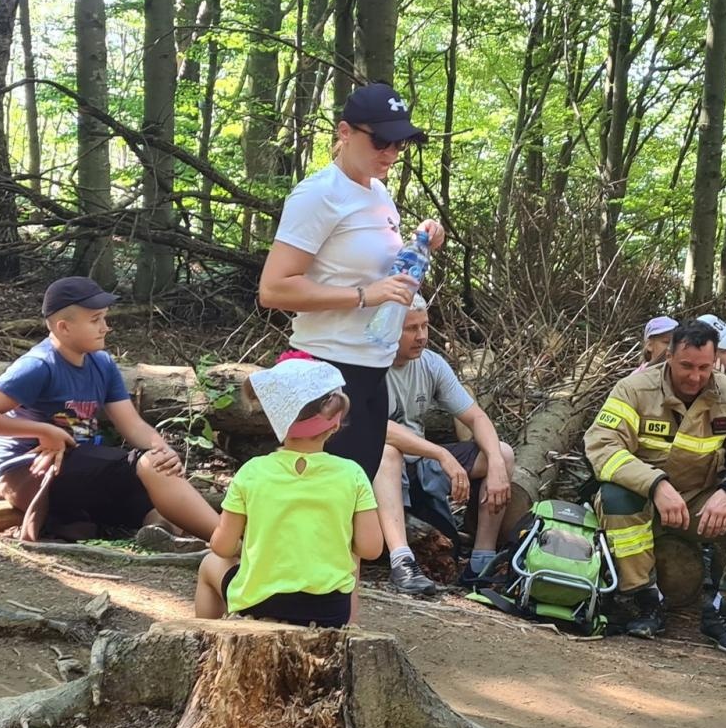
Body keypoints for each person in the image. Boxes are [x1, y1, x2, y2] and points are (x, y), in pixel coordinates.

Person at [257, 82, 444, 482]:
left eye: (400, 144)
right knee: (320, 499)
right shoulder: (319, 195)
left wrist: (422, 244)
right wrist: (363, 296)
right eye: (381, 141)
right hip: (327, 370)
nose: (391, 153)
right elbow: (273, 289)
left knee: (351, 498)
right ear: (345, 132)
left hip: (373, 370)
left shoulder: (378, 193)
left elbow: (373, 271)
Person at [0, 278, 219, 544]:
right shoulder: (38, 366)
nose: (105, 328)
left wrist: (163, 451)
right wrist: (44, 431)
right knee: (148, 468)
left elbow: (132, 425)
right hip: (33, 473)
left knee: (156, 487)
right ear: (64, 327)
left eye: (105, 319)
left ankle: (162, 534)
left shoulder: (102, 363)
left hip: (81, 469)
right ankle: (230, 541)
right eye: (95, 320)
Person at [585, 319, 726, 654]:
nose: (695, 377)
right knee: (615, 495)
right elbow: (601, 447)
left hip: (701, 505)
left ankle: (725, 610)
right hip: (647, 505)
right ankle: (645, 602)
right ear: (668, 356)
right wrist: (655, 485)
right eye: (686, 366)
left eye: (704, 368)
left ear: (716, 362)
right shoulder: (634, 390)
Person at [196, 358, 383, 626]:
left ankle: (207, 643)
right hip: (330, 611)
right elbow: (371, 547)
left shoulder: (252, 472)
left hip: (260, 605)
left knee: (209, 565)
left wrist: (249, 545)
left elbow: (222, 546)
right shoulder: (352, 474)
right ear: (334, 423)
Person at [375, 296, 520, 595]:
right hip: (377, 465)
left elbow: (476, 417)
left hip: (421, 463)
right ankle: (402, 562)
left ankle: (481, 562)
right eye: (411, 329)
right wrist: (441, 454)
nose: (422, 336)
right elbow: (380, 430)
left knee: (502, 453)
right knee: (388, 451)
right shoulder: (370, 364)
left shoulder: (431, 364)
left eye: (425, 326)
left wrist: (493, 463)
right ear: (389, 329)